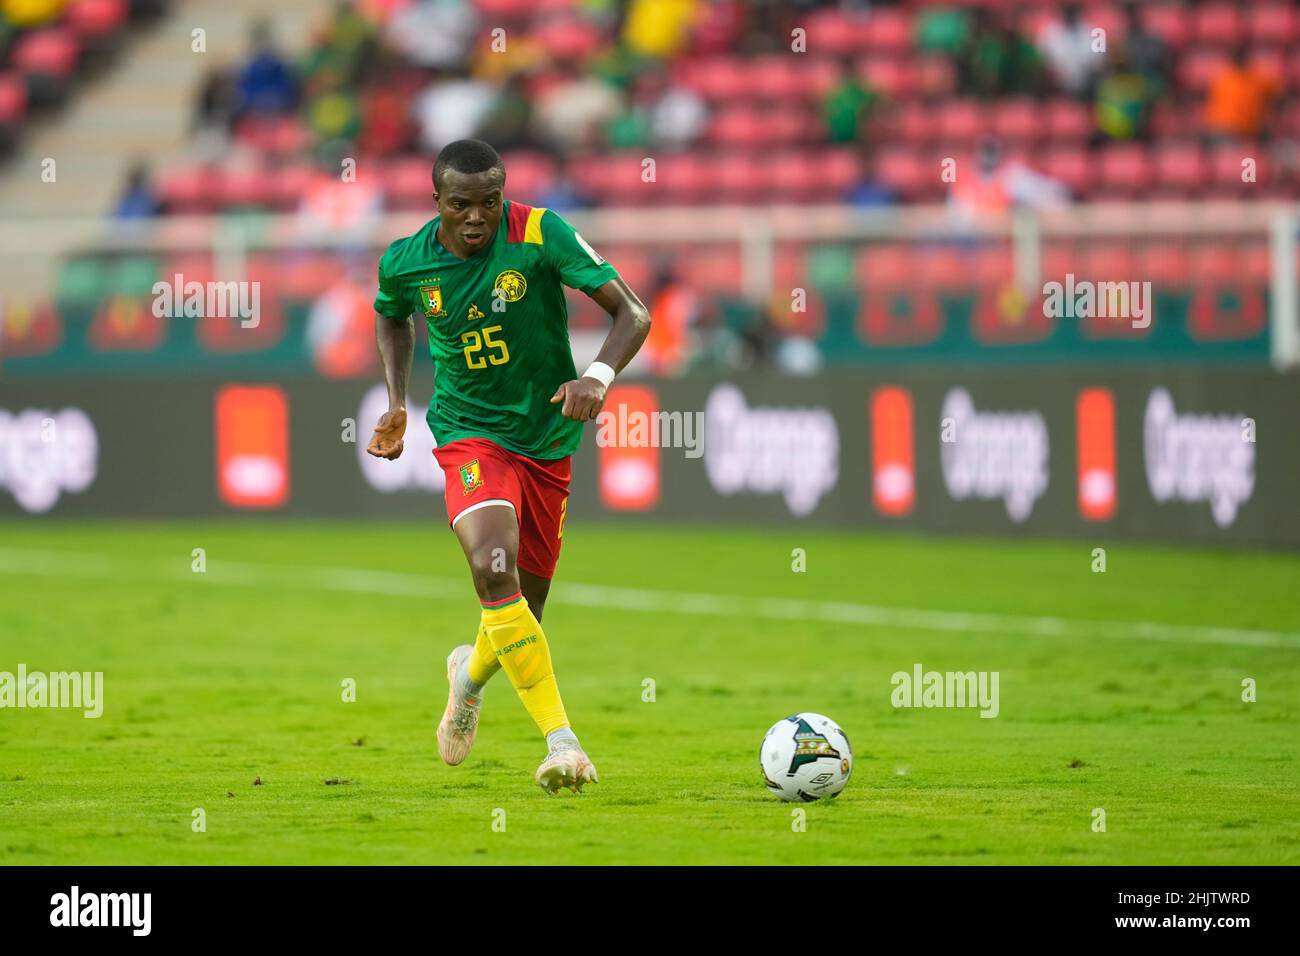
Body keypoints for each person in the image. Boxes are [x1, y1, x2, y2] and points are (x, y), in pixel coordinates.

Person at [366, 139, 651, 793]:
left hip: (547, 442)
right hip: (470, 436)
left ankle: (466, 680)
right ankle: (564, 745)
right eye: (461, 204)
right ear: (435, 201)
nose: (476, 218)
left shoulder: (541, 233)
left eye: (489, 203)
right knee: (493, 571)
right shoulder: (405, 262)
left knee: (526, 612)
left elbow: (632, 311)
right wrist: (395, 402)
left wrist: (598, 376)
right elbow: (391, 318)